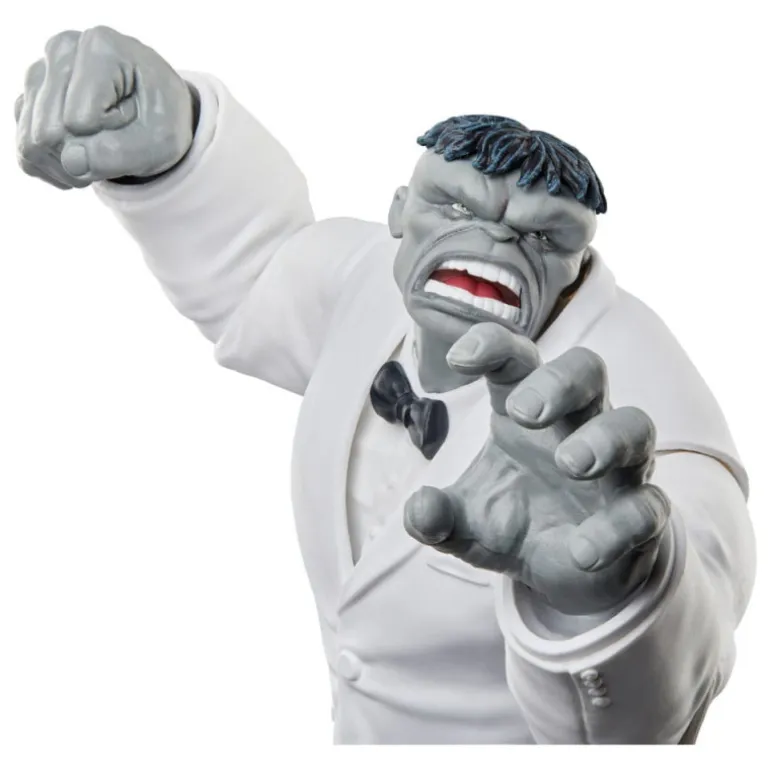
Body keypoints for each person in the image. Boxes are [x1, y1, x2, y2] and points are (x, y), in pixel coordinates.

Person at [15, 26, 756, 745]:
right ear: (399, 211)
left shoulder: (647, 410)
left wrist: (615, 601)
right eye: (456, 206)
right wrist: (174, 152)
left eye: (541, 236)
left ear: (576, 264)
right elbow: (261, 275)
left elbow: (684, 667)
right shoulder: (369, 278)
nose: (495, 240)